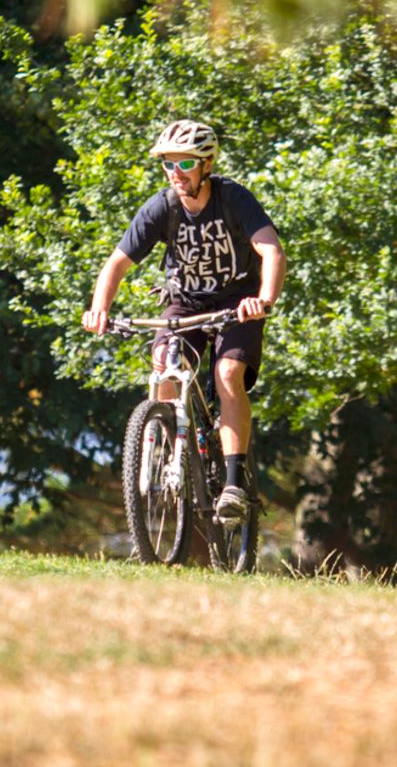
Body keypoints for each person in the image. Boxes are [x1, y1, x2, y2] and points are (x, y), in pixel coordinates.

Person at [82, 119, 286, 522]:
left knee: (227, 374)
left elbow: (272, 251)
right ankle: (167, 449)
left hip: (238, 303)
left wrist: (263, 299)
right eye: (168, 164)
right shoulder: (163, 207)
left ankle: (232, 483)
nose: (176, 173)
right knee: (164, 366)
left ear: (207, 165)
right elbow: (116, 263)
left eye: (186, 164)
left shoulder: (233, 199)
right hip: (186, 304)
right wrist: (98, 308)